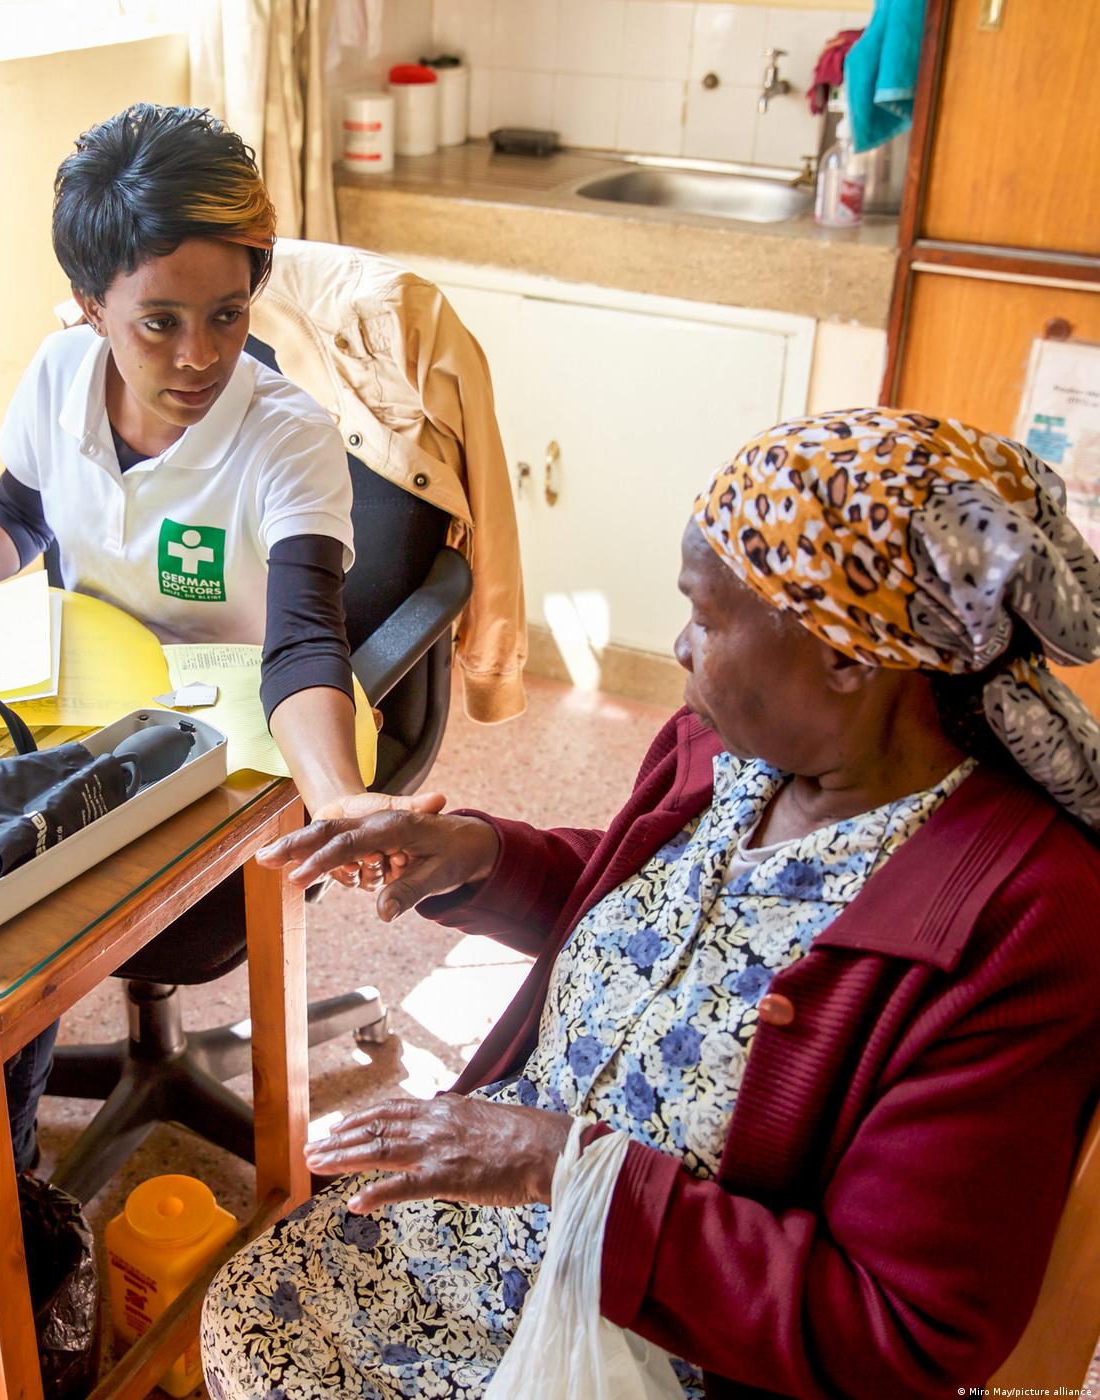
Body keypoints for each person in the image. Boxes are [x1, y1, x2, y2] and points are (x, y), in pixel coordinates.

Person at [200, 409, 1100, 1399]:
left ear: (848, 657)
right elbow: (654, 914)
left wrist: (565, 1170)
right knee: (250, 1306)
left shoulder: (1018, 919)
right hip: (524, 1208)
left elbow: (898, 1327)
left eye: (706, 618)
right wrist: (482, 857)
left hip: (669, 1337)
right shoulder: (730, 751)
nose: (678, 646)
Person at [0, 105, 434, 1179]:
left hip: (219, 757)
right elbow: (20, 515)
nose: (200, 355)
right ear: (90, 306)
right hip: (82, 717)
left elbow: (303, 641)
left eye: (228, 314)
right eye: (160, 323)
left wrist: (335, 794)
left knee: (7, 909)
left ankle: (4, 1195)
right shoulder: (56, 375)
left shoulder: (286, 436)